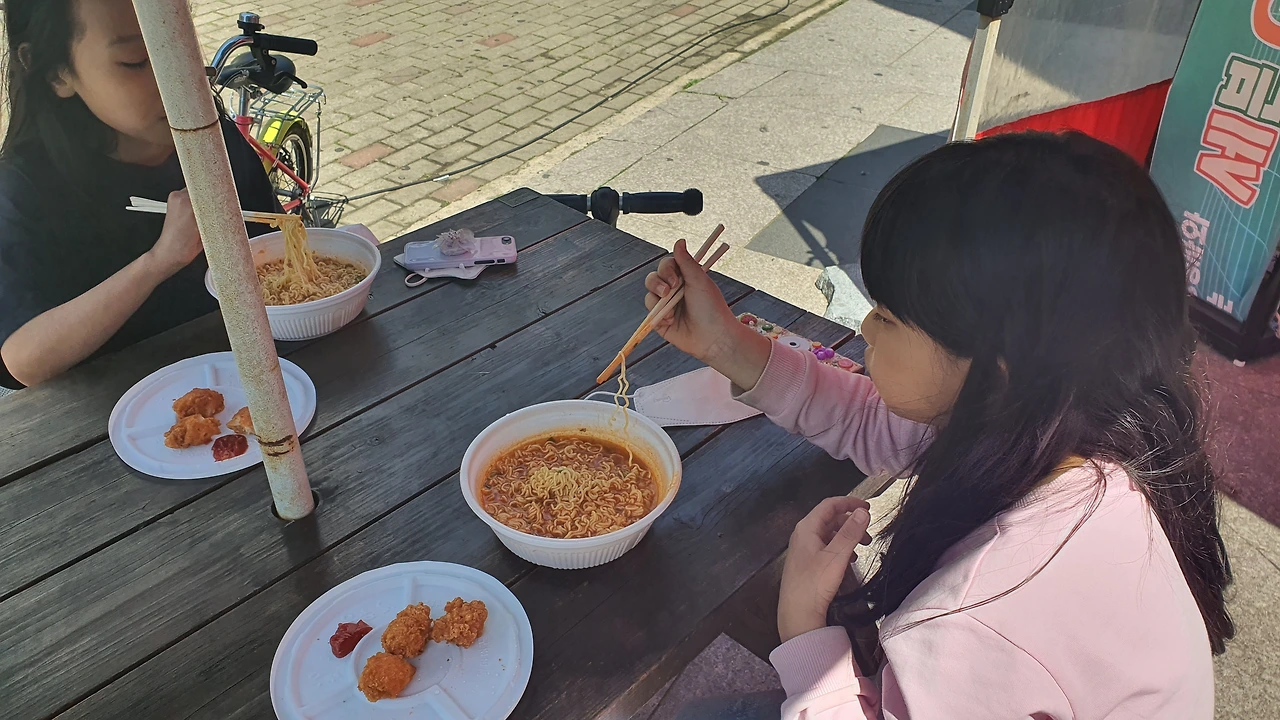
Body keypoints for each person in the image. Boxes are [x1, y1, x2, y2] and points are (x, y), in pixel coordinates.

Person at [651, 132, 1232, 719]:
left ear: (997, 369)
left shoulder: (983, 611)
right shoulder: (1079, 433)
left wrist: (803, 629)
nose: (866, 329)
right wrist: (724, 342)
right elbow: (870, 418)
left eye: (886, 316)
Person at [0, 0, 281, 390]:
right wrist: (159, 261)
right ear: (56, 72)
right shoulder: (24, 190)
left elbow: (276, 245)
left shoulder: (213, 139)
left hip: (247, 383)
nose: (178, 79)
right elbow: (23, 359)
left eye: (180, 44)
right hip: (115, 414)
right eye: (135, 61)